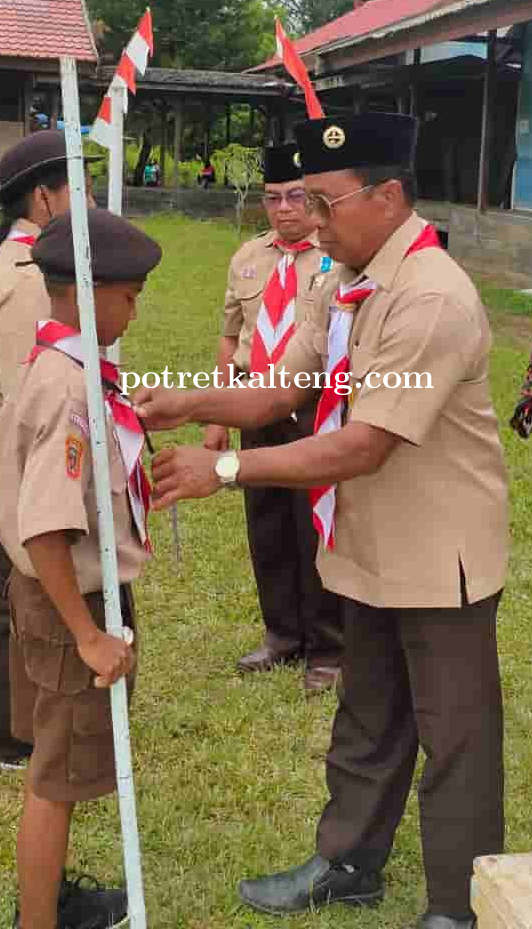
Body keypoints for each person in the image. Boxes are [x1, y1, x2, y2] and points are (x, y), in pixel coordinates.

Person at [137, 112, 509, 929]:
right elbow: (284, 390)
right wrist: (190, 403)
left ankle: (461, 904)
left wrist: (225, 467)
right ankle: (348, 862)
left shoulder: (431, 297)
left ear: (388, 195)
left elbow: (364, 443)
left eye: (326, 202)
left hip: (437, 550)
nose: (310, 217)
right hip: (367, 541)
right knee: (368, 713)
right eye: (303, 199)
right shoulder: (342, 281)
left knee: (456, 738)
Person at [0, 209, 162, 929]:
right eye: (130, 295)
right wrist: (88, 635)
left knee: (56, 764)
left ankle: (53, 899)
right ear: (92, 295)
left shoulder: (66, 363)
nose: (134, 309)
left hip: (61, 600)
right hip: (71, 608)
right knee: (57, 780)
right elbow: (45, 527)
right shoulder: (68, 386)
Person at [206, 144, 343, 695]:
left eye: (294, 197)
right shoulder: (247, 258)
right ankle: (282, 635)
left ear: (312, 201)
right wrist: (216, 413)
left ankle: (329, 649)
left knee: (314, 524)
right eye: (272, 198)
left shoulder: (336, 258)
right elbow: (229, 337)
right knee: (265, 522)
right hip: (252, 402)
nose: (283, 209)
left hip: (312, 407)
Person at [0, 130, 88, 772]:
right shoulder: (24, 277)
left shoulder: (36, 262)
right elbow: (30, 388)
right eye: (79, 188)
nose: (90, 199)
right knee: (18, 593)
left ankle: (17, 728)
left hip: (29, 446)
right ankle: (12, 736)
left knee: (18, 588)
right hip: (25, 450)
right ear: (43, 198)